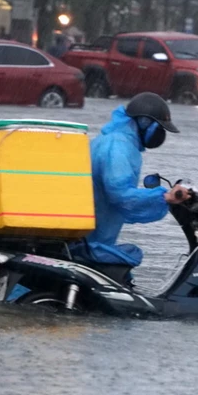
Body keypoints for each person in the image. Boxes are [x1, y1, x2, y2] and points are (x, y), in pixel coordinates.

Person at [70, 92, 190, 283]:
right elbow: (120, 195)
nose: (161, 134)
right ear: (144, 123)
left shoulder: (118, 141)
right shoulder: (119, 147)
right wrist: (164, 197)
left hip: (90, 235)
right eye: (159, 127)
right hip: (89, 240)